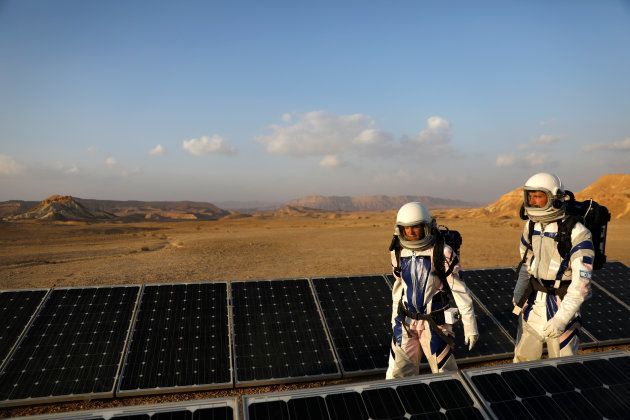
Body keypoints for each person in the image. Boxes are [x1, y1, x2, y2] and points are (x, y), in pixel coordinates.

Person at [386, 202, 478, 378]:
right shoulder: (398, 252)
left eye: (415, 228)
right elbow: (398, 289)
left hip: (435, 324)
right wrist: (393, 320)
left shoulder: (443, 252)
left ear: (426, 227)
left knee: (444, 375)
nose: (410, 233)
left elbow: (460, 291)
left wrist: (470, 326)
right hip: (405, 322)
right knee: (396, 375)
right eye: (406, 228)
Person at [512, 172, 594, 362]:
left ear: (555, 198)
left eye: (538, 196)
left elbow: (582, 284)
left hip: (562, 303)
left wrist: (561, 319)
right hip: (534, 302)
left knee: (563, 365)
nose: (532, 201)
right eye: (529, 196)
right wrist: (519, 296)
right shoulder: (531, 226)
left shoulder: (577, 232)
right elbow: (527, 262)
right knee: (522, 361)